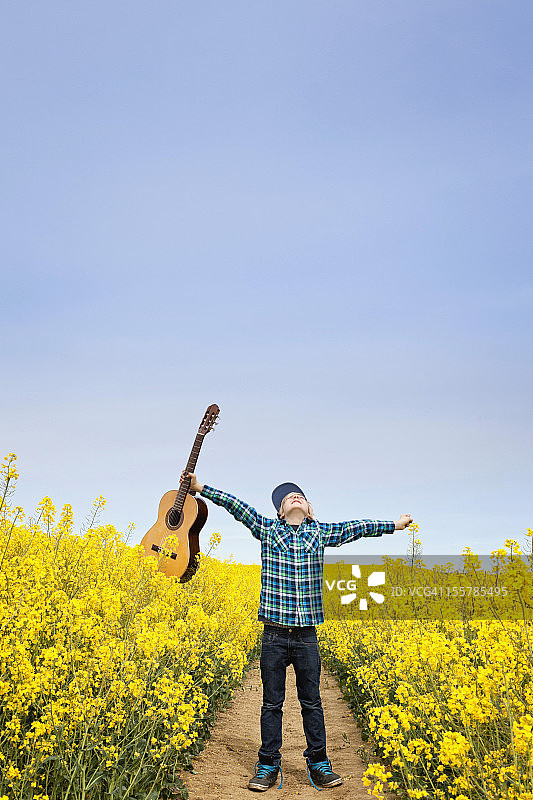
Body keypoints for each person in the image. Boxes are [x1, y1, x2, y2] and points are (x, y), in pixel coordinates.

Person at [180, 471, 412, 792]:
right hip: (274, 635)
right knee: (271, 704)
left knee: (312, 702)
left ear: (310, 509)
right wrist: (201, 488)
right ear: (279, 511)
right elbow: (237, 506)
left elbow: (357, 528)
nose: (295, 498)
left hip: (306, 637)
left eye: (301, 496)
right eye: (289, 497)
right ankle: (267, 765)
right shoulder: (268, 530)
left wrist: (394, 525)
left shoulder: (319, 533)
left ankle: (319, 763)